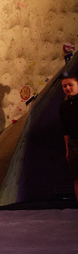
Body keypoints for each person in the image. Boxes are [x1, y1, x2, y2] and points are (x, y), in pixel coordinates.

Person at [59, 71, 78, 202]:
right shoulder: (64, 106)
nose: (67, 88)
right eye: (65, 86)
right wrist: (67, 149)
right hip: (74, 144)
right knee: (76, 177)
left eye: (70, 85)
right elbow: (66, 130)